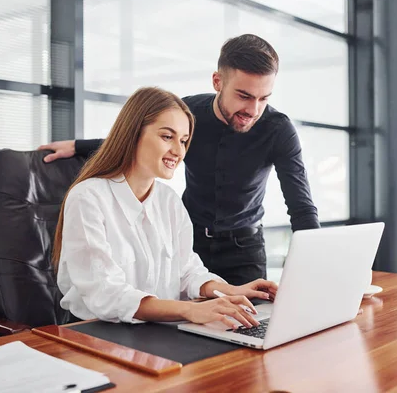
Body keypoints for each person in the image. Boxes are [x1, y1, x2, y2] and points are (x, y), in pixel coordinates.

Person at [41, 34, 320, 286]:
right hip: (188, 243)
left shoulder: (278, 130)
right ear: (217, 81)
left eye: (263, 98)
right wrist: (77, 146)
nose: (253, 109)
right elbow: (140, 139)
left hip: (245, 250)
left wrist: (318, 272)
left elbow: (302, 209)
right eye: (244, 96)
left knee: (250, 332)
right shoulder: (187, 114)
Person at [54, 86, 277, 328]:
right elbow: (106, 294)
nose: (178, 151)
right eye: (167, 137)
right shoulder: (88, 198)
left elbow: (187, 271)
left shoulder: (169, 201)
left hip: (158, 330)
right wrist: (192, 310)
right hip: (95, 333)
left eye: (183, 141)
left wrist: (230, 291)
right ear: (133, 133)